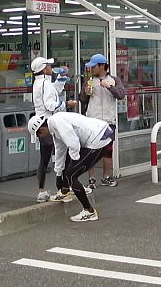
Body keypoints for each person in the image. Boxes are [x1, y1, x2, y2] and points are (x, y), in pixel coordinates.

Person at [27, 112, 114, 222]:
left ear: (42, 130)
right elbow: (60, 151)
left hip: (100, 138)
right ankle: (65, 192)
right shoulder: (54, 127)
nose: (41, 138)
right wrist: (58, 174)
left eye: (38, 136)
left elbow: (73, 144)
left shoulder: (58, 122)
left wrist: (73, 165)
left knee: (71, 175)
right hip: (98, 135)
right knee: (68, 170)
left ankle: (89, 211)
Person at [31, 57, 78, 202]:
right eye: (49, 65)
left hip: (41, 124)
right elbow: (50, 105)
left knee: (45, 158)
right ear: (44, 69)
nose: (51, 67)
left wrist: (62, 77)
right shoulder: (45, 84)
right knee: (63, 155)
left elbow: (54, 90)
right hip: (50, 124)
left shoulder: (40, 83)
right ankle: (65, 187)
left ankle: (42, 191)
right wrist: (67, 104)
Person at [80, 53, 125, 189]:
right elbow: (82, 100)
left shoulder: (114, 80)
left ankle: (106, 177)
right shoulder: (89, 80)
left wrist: (109, 87)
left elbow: (121, 95)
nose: (91, 69)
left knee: (107, 151)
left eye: (94, 66)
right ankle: (91, 179)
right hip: (92, 121)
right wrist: (85, 92)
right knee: (91, 151)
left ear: (102, 66)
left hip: (108, 122)